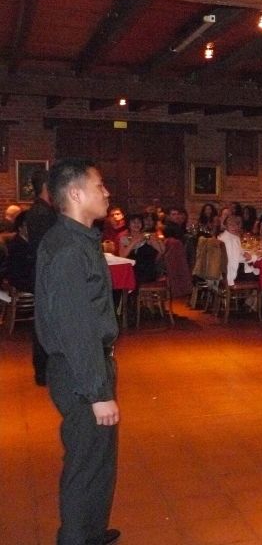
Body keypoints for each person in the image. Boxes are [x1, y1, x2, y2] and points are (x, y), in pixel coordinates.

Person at [35, 158, 121, 545]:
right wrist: (97, 393)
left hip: (87, 367)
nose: (106, 192)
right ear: (75, 193)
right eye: (99, 185)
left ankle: (91, 533)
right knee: (85, 465)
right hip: (79, 372)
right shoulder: (68, 248)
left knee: (99, 461)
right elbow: (76, 328)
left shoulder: (80, 239)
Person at [25, 168, 58, 386]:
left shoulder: (39, 210)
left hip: (43, 272)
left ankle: (44, 370)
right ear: (46, 186)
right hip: (47, 274)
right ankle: (44, 371)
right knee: (45, 323)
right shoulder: (43, 213)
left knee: (45, 322)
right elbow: (49, 246)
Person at [119, 213, 165, 284]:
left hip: (147, 271)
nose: (136, 224)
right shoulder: (124, 238)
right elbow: (122, 256)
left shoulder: (147, 236)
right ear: (128, 224)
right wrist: (134, 241)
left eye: (139, 222)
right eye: (134, 222)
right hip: (131, 271)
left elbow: (161, 251)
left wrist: (157, 238)